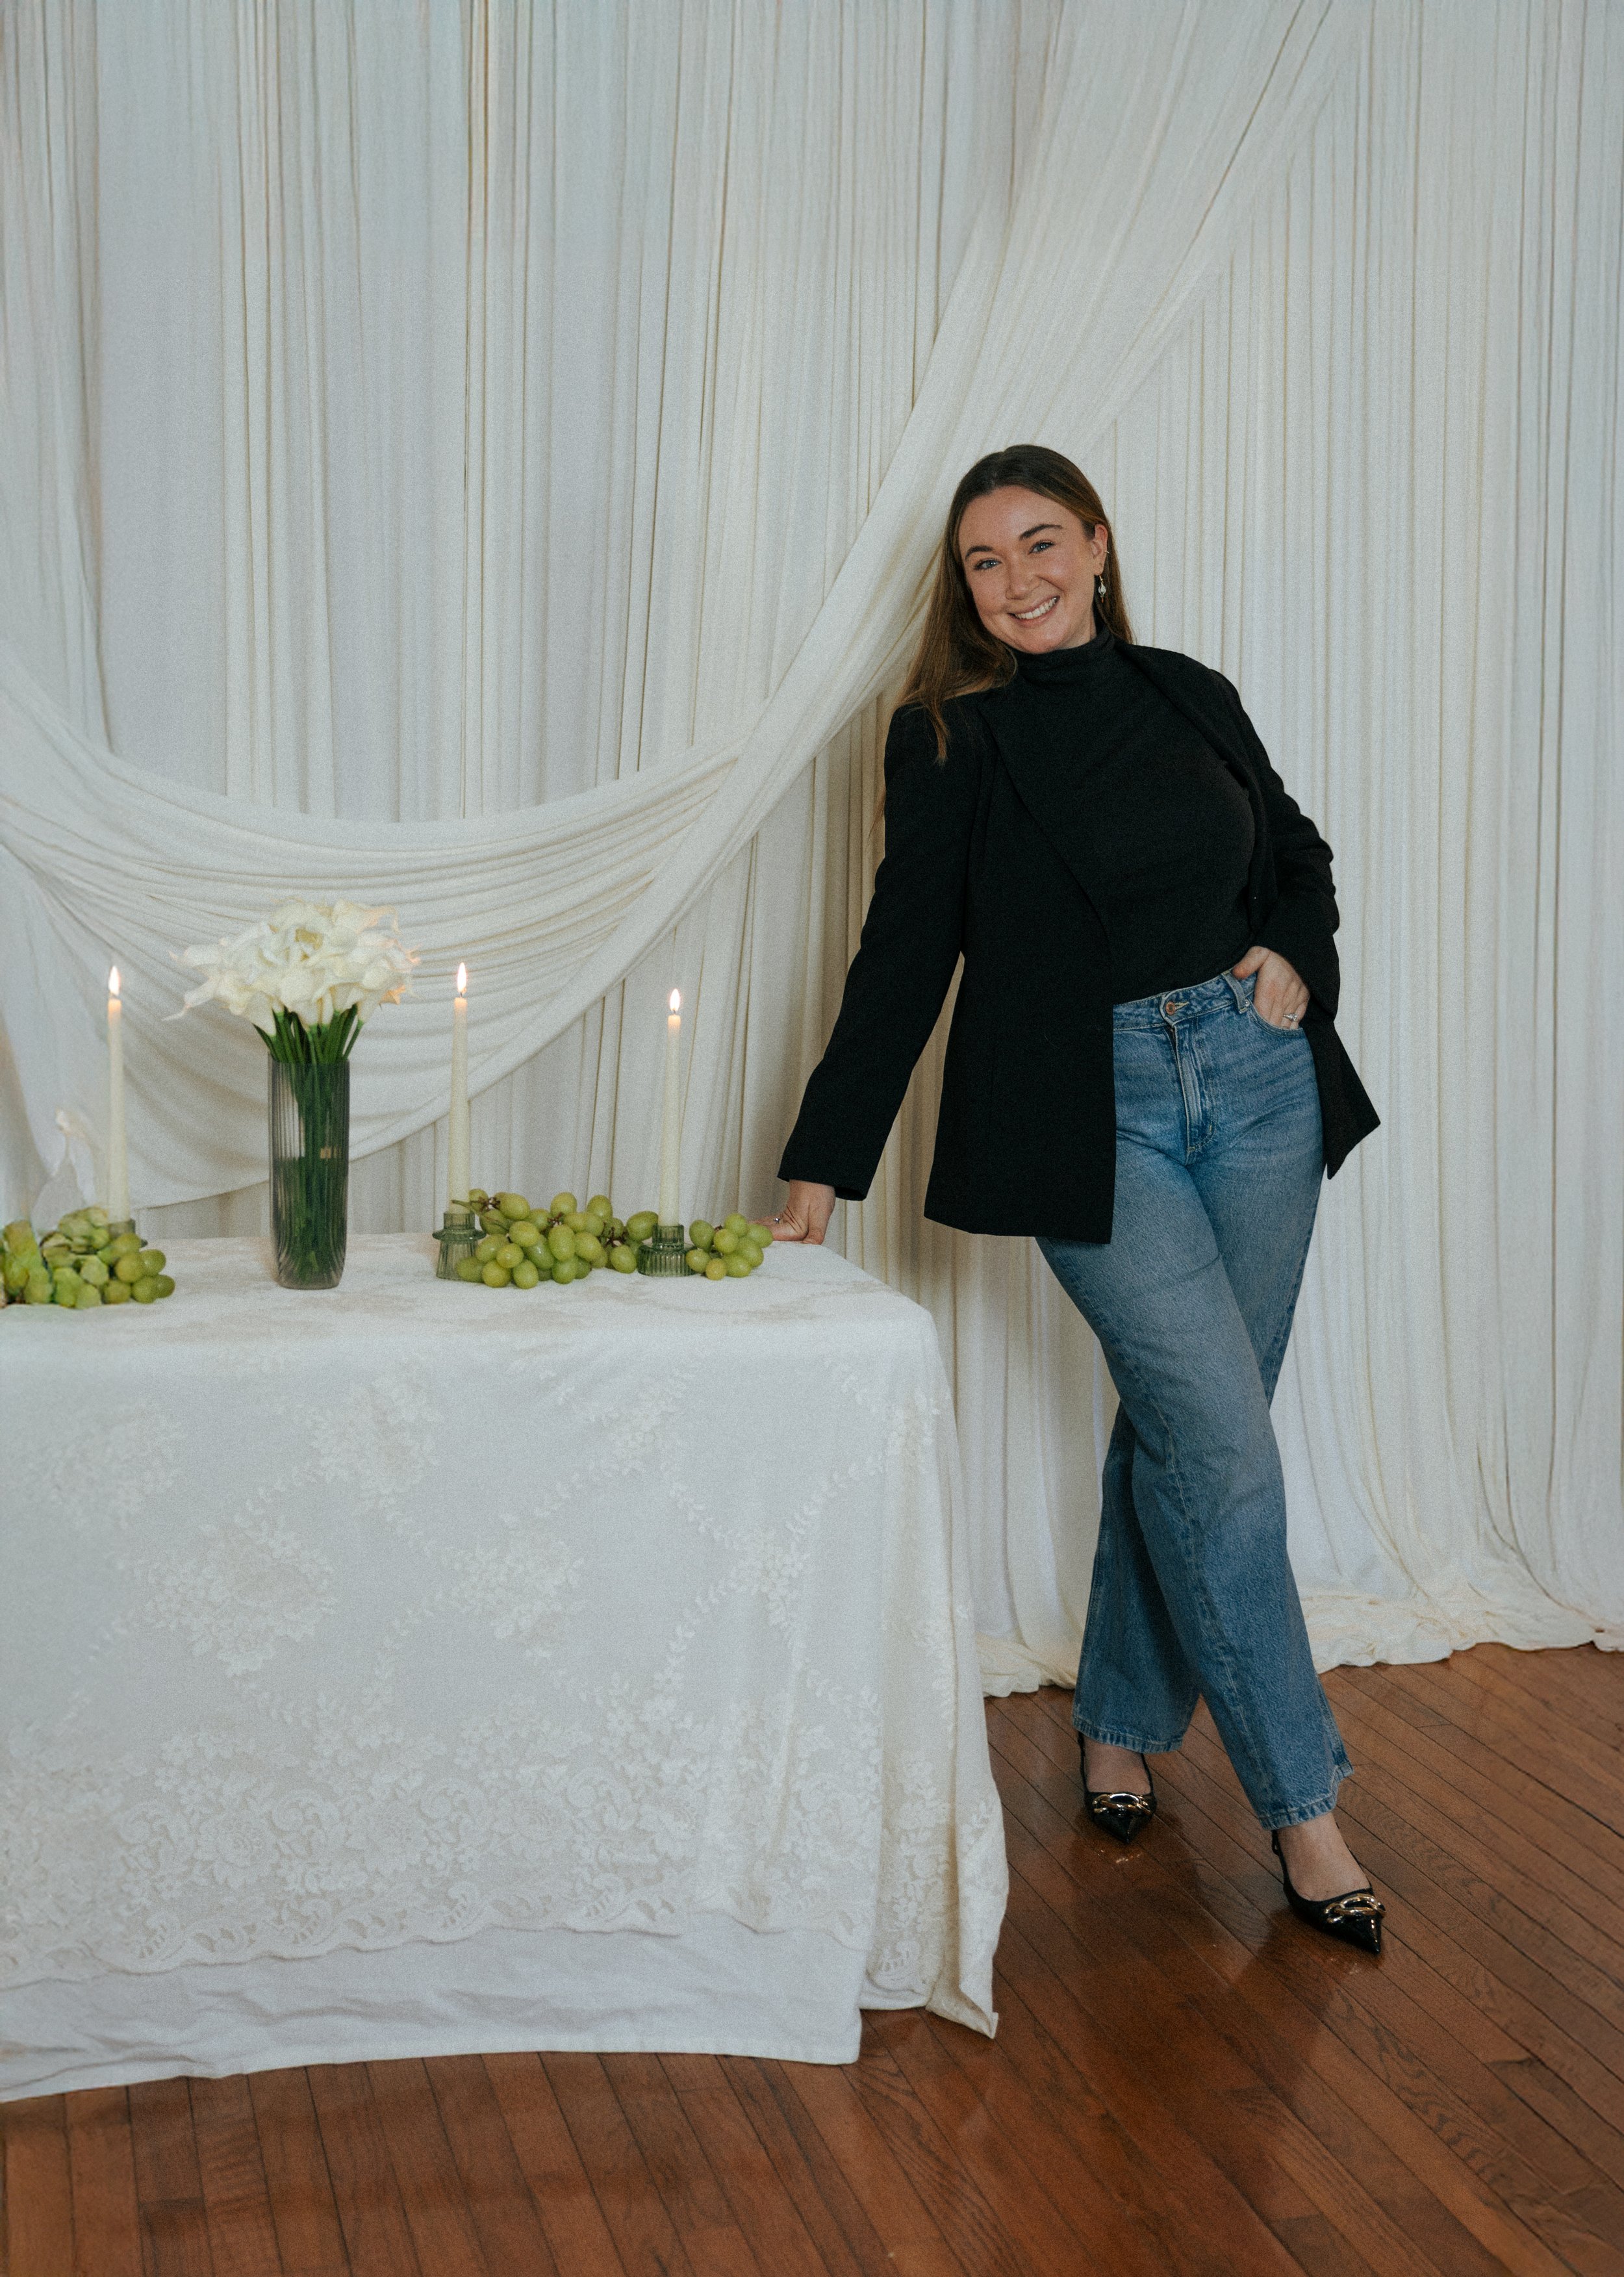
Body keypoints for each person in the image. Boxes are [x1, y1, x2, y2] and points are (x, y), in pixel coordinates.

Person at [771, 445, 1386, 1953]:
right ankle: (1302, 1806)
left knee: (1185, 1429)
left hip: (1251, 1083)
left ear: (1098, 545)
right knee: (1224, 1447)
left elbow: (1291, 851)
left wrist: (1291, 962)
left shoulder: (1186, 689)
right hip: (1089, 1117)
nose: (1018, 579)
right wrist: (818, 1160)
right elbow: (901, 954)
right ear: (964, 591)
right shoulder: (944, 739)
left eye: (1041, 543)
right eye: (985, 562)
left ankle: (1116, 1720)